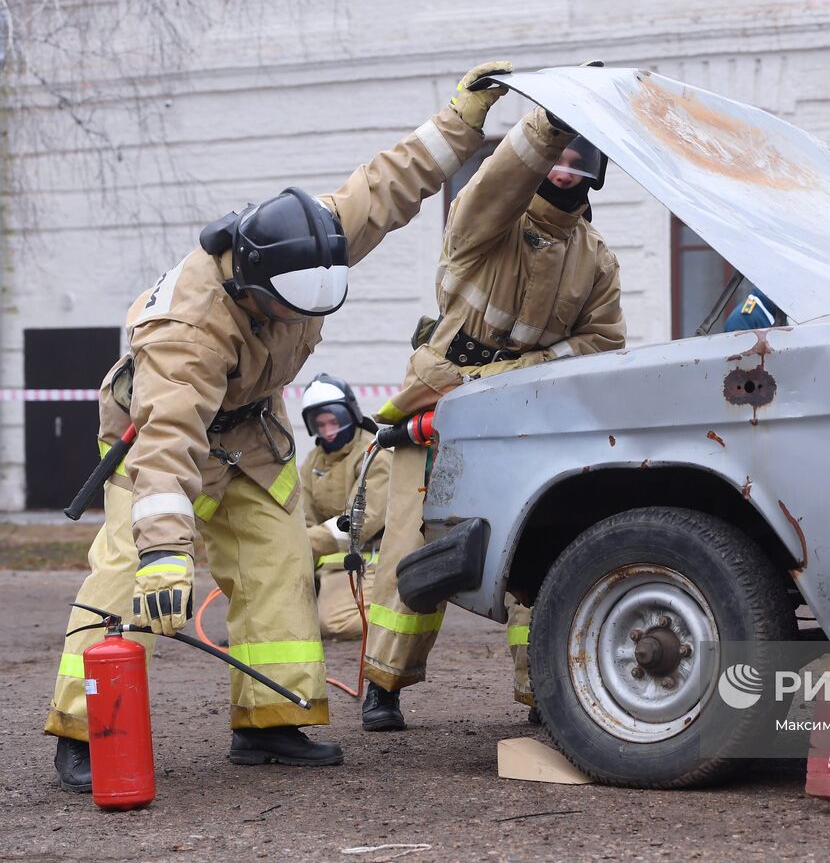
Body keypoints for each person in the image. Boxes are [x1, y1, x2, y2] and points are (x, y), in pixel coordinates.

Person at [46, 60, 515, 792]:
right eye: (289, 313)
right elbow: (168, 441)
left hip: (251, 436)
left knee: (280, 562)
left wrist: (463, 117)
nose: (302, 325)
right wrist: (167, 554)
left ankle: (269, 722)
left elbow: (390, 184)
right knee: (125, 576)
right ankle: (83, 728)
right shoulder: (188, 329)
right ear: (251, 288)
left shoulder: (311, 239)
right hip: (160, 442)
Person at [362, 102, 627, 733]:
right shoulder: (483, 221)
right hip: (433, 398)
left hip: (523, 411)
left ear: (596, 173)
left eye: (579, 159)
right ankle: (383, 685)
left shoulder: (596, 258)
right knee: (411, 543)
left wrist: (511, 376)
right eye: (555, 156)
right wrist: (548, 124)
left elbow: (604, 342)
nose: (564, 169)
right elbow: (497, 179)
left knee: (534, 544)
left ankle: (542, 690)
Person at [298, 374, 389, 640]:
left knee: (336, 624)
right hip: (328, 567)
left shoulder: (375, 455)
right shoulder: (313, 461)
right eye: (320, 423)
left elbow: (359, 523)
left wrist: (299, 543)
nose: (327, 430)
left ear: (350, 415)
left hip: (367, 562)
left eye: (333, 421)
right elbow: (303, 517)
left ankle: (403, 615)